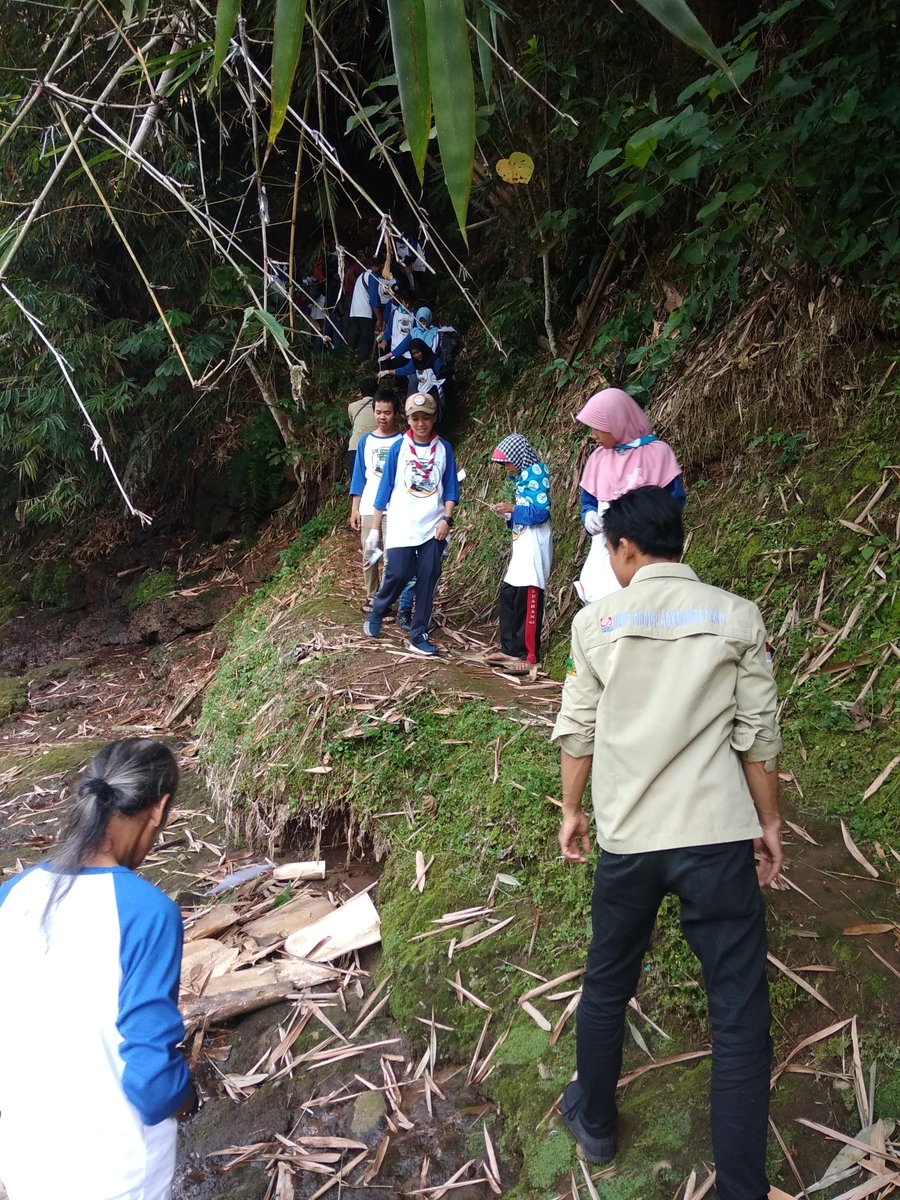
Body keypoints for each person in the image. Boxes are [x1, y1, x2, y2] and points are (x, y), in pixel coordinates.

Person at [552, 487, 782, 1200]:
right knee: (739, 1013)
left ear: (624, 549)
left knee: (607, 983)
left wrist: (571, 809)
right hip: (715, 836)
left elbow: (577, 727)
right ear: (677, 541)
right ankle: (740, 1187)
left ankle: (594, 1122)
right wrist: (768, 825)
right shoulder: (737, 616)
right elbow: (758, 736)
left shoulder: (597, 623)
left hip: (629, 838)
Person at [0, 739, 197, 1200]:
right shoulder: (147, 912)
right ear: (158, 809)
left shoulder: (12, 895)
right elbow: (150, 1078)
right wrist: (188, 1101)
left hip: (26, 1162)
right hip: (117, 1173)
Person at [362, 392, 459, 656]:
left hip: (433, 528)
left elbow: (450, 488)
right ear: (408, 419)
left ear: (433, 417)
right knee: (399, 574)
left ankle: (418, 634)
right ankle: (379, 609)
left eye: (425, 417)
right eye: (415, 418)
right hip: (403, 525)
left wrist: (446, 519)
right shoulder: (399, 448)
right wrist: (374, 529)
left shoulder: (444, 449)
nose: (420, 423)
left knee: (428, 578)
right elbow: (384, 490)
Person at [575, 388, 685, 604]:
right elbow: (588, 500)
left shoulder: (657, 454)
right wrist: (588, 516)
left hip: (647, 548)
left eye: (599, 427)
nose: (594, 434)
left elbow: (674, 502)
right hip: (606, 548)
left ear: (618, 423)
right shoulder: (597, 459)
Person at [485, 434, 553, 674]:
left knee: (528, 597)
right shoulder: (522, 478)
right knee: (509, 594)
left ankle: (530, 655)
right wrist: (508, 514)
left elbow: (541, 513)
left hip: (534, 547)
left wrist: (513, 509)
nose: (506, 469)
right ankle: (510, 649)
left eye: (507, 463)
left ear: (518, 458)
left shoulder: (536, 474)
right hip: (521, 545)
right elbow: (522, 512)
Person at [349, 387, 409, 612]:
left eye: (387, 412)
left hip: (395, 508)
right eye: (378, 412)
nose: (382, 417)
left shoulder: (403, 441)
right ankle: (372, 596)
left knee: (391, 558)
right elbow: (359, 475)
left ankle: (386, 600)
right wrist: (355, 507)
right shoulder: (365, 441)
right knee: (370, 552)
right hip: (368, 506)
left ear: (396, 414)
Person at [346, 263, 393, 361]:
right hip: (365, 312)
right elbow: (373, 300)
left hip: (354, 312)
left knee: (354, 338)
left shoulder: (362, 275)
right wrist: (379, 318)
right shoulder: (372, 277)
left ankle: (350, 360)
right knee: (366, 340)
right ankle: (363, 362)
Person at [346, 377, 378, 477]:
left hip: (355, 448)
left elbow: (353, 422)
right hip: (375, 450)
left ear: (360, 392)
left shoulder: (352, 406)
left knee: (356, 486)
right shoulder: (382, 408)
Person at [378, 284, 415, 359]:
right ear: (401, 300)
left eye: (409, 303)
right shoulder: (394, 313)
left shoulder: (415, 314)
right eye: (406, 302)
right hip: (395, 349)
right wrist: (384, 340)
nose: (407, 305)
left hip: (409, 352)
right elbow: (389, 329)